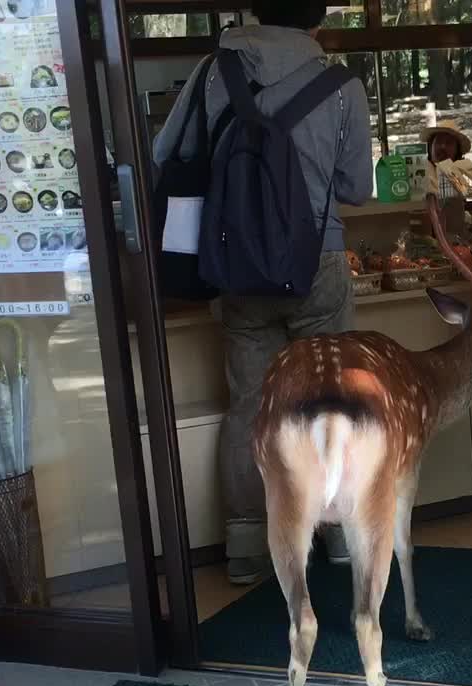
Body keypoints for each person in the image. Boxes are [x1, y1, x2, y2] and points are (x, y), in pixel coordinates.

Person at [152, 0, 373, 584]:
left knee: (252, 404)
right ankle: (339, 539)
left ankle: (249, 546)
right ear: (318, 16)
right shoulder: (343, 83)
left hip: (236, 261)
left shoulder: (212, 71)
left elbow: (163, 154)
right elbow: (356, 189)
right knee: (331, 400)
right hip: (316, 263)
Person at [421, 119, 471, 200]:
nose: (443, 146)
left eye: (449, 143)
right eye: (439, 141)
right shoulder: (419, 172)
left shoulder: (463, 177)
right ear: (430, 147)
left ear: (457, 151)